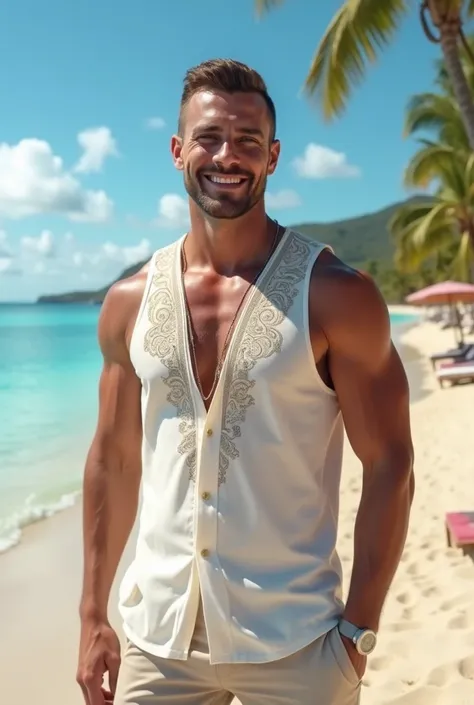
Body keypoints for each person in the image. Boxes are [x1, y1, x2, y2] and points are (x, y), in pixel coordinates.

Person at [77, 58, 414, 705]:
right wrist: (93, 614)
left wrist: (359, 632)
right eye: (208, 137)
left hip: (298, 643)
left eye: (247, 141)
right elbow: (113, 460)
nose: (226, 154)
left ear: (274, 156)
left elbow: (391, 462)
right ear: (177, 150)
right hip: (158, 642)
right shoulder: (127, 302)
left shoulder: (337, 295)